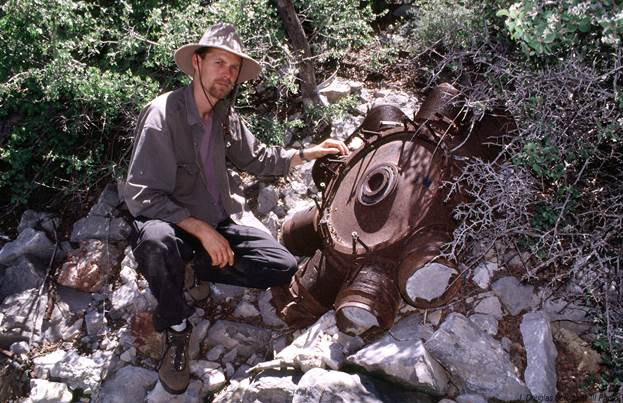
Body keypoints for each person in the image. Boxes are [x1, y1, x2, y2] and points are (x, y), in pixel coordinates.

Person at [123, 23, 348, 395]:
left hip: (217, 219)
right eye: (219, 63)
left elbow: (259, 158)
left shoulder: (224, 114)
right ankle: (176, 328)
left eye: (234, 68)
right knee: (156, 242)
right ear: (197, 63)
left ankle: (193, 268)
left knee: (281, 265)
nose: (227, 74)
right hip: (171, 223)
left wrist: (308, 153)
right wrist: (200, 230)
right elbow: (142, 196)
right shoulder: (162, 115)